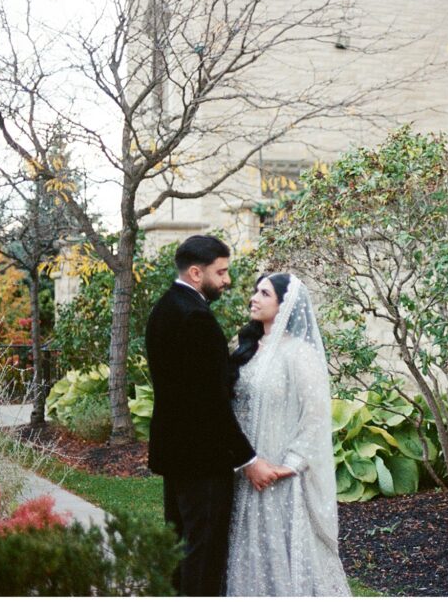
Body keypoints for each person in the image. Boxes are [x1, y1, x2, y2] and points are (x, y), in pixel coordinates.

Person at [145, 235, 293, 596]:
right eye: (221, 272)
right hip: (202, 460)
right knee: (204, 554)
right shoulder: (196, 318)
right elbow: (210, 403)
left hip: (175, 454)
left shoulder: (165, 307)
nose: (227, 281)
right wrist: (249, 459)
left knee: (180, 548)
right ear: (197, 273)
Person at [225, 272, 351, 596]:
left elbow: (316, 414)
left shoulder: (299, 353)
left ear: (285, 305)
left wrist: (291, 463)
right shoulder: (245, 347)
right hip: (245, 467)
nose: (254, 298)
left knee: (283, 549)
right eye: (255, 291)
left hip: (280, 474)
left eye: (264, 294)